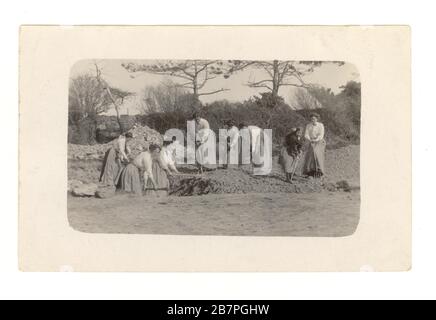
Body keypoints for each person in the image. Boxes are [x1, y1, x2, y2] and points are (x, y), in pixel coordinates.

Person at [302, 113, 326, 178]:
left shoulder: (321, 125)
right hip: (311, 141)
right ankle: (309, 172)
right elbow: (306, 134)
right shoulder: (308, 125)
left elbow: (321, 135)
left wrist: (316, 140)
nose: (313, 120)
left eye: (314, 118)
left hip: (319, 141)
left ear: (317, 119)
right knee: (310, 155)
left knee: (316, 154)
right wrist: (310, 139)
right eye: (312, 119)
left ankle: (319, 172)